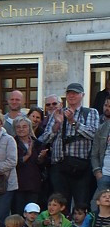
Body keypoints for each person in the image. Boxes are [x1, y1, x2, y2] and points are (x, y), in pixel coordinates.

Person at [39, 83, 100, 212]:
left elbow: (94, 134)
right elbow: (44, 139)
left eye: (75, 93)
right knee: (59, 204)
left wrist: (73, 122)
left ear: (82, 95)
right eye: (69, 93)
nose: (71, 96)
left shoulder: (90, 113)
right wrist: (57, 124)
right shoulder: (57, 113)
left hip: (81, 166)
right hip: (59, 165)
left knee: (81, 204)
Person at [11, 116, 44, 214]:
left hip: (34, 184)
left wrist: (41, 158)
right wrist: (28, 155)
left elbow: (41, 164)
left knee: (32, 212)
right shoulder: (12, 142)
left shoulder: (37, 143)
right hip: (18, 184)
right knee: (18, 212)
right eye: (18, 127)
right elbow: (14, 162)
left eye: (24, 126)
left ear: (29, 128)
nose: (21, 129)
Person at [89, 98, 110, 208]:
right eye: (106, 105)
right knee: (96, 206)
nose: (107, 108)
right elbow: (94, 153)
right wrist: (98, 173)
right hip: (105, 174)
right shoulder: (102, 128)